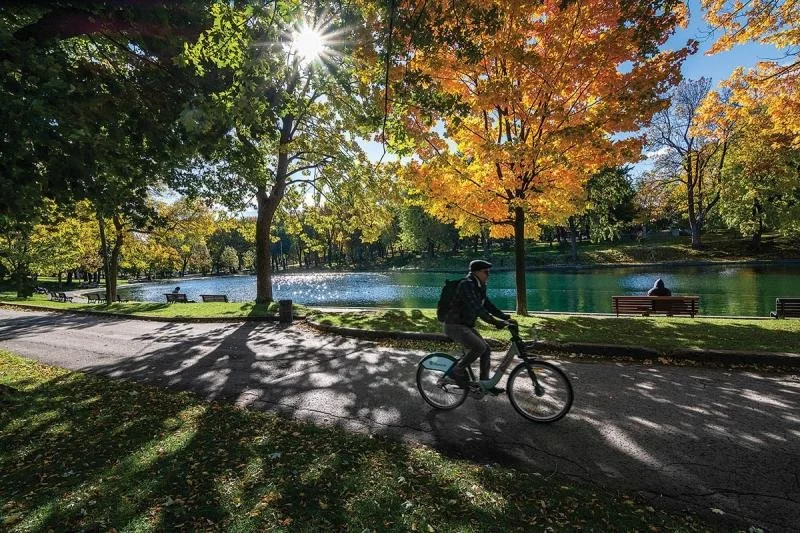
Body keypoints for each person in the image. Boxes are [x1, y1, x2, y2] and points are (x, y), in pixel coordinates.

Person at [442, 260, 514, 395]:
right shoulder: (466, 285)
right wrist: (495, 322)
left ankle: (485, 384)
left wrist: (504, 317)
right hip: (454, 326)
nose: (488, 275)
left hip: (465, 326)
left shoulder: (479, 285)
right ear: (476, 272)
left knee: (486, 349)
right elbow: (477, 308)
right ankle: (457, 370)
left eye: (489, 272)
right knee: (480, 347)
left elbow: (487, 304)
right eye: (486, 272)